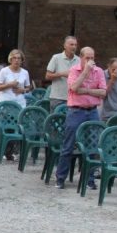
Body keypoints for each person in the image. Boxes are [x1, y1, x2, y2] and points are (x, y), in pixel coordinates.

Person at [54, 47, 105, 189]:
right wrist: (86, 72)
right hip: (76, 111)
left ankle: (89, 179)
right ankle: (60, 178)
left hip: (92, 111)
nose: (90, 61)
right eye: (87, 58)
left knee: (93, 145)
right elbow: (74, 88)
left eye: (92, 58)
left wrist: (87, 91)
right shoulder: (74, 71)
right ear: (81, 58)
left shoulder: (99, 71)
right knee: (68, 145)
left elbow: (103, 92)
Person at [43, 36, 79, 111]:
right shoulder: (56, 58)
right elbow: (47, 76)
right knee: (55, 121)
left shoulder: (79, 60)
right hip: (57, 98)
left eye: (75, 45)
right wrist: (62, 74)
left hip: (73, 99)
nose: (74, 47)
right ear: (65, 46)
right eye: (71, 44)